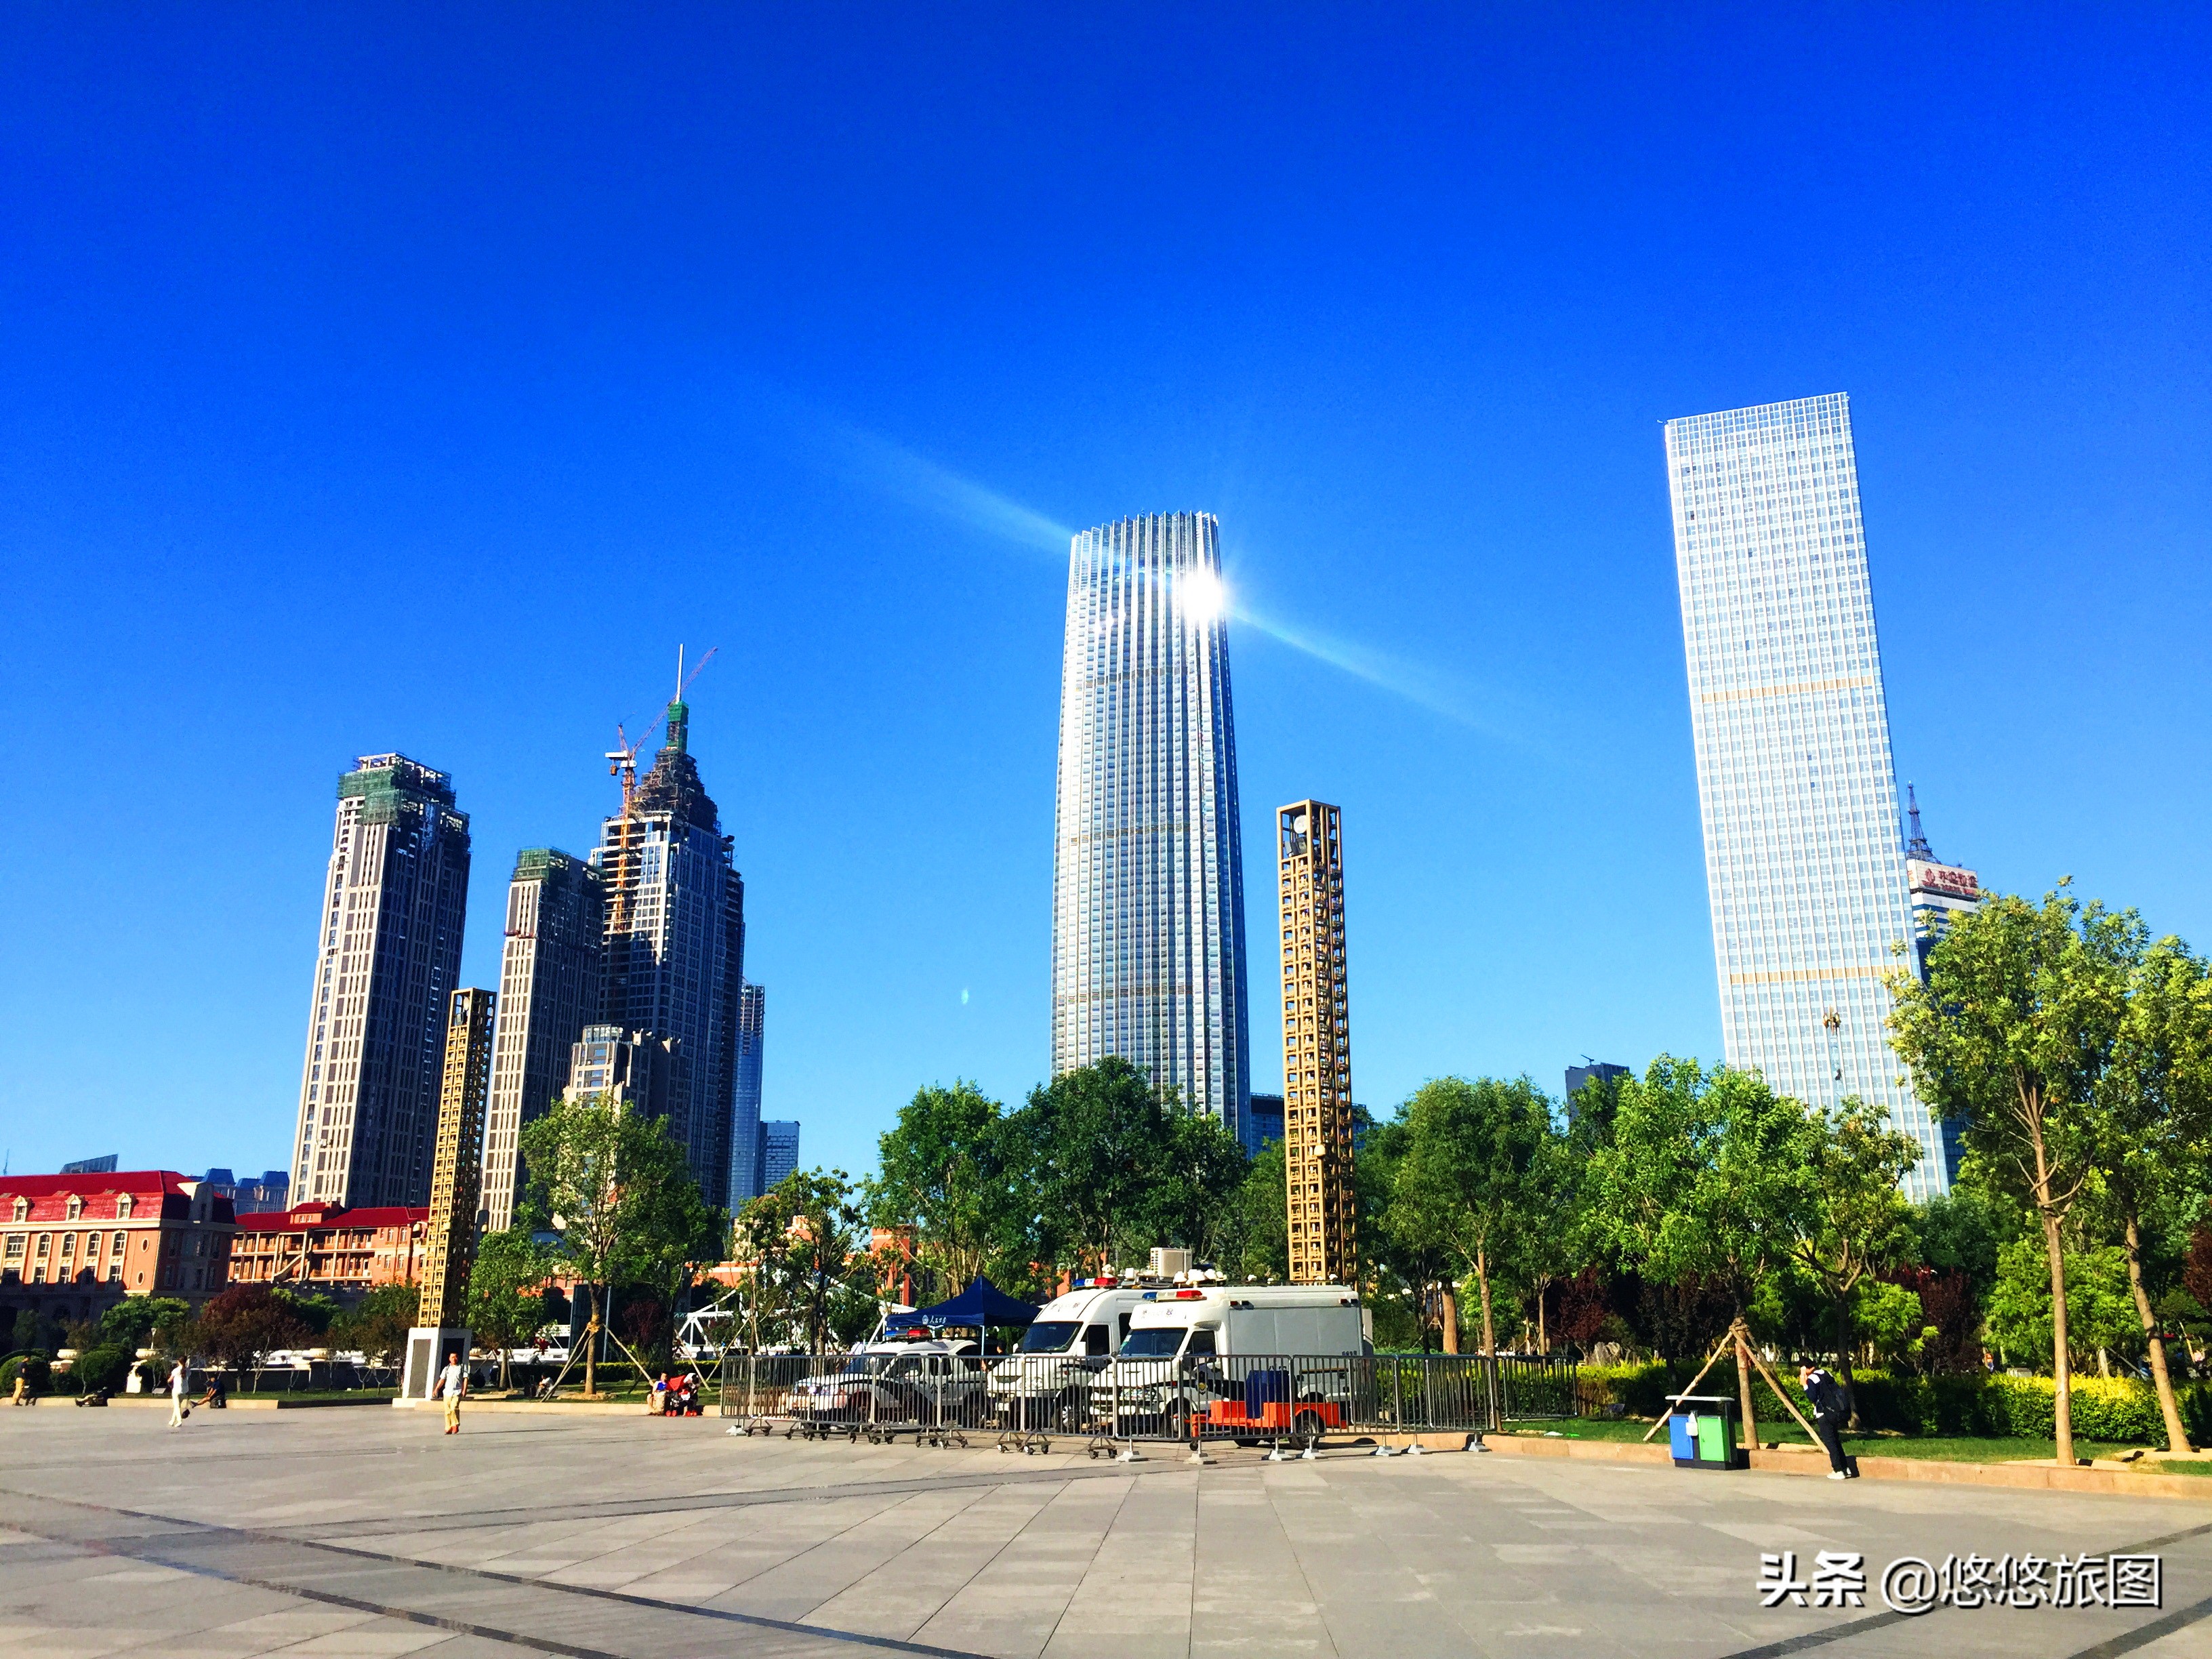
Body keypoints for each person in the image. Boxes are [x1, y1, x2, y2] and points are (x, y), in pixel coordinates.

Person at [1799, 1364, 1856, 1479]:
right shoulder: (1825, 1373)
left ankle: (1838, 1470)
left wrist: (1805, 1384)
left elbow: (1812, 1397)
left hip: (1824, 1414)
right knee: (1835, 1440)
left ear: (1806, 1368)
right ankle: (1845, 1468)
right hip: (1835, 1411)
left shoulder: (1812, 1378)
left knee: (1830, 1441)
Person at [437, 1351, 466, 1434]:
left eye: (456, 1357)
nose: (454, 1359)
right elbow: (442, 1380)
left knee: (454, 1408)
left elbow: (465, 1380)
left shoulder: (462, 1368)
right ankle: (448, 1427)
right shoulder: (447, 1369)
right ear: (449, 1359)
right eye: (452, 1357)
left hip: (457, 1392)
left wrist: (464, 1390)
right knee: (447, 1411)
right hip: (447, 1393)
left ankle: (455, 1425)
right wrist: (437, 1389)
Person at [167, 1358, 190, 1429]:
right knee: (177, 1405)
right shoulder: (188, 1370)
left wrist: (168, 1381)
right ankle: (172, 1421)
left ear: (178, 1362)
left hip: (176, 1390)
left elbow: (170, 1380)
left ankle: (179, 1421)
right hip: (185, 1391)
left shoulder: (176, 1370)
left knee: (177, 1406)